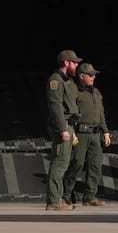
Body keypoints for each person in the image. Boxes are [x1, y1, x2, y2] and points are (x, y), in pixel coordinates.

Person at [44, 49, 82, 211]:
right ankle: (53, 200)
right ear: (67, 63)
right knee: (59, 162)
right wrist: (62, 129)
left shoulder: (67, 81)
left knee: (64, 162)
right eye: (74, 63)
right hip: (63, 126)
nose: (76, 65)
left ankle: (58, 198)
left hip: (69, 125)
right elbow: (55, 106)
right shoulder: (56, 81)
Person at [69, 62, 111, 205]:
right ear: (81, 76)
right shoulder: (74, 92)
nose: (93, 77)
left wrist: (105, 131)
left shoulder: (96, 92)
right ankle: (65, 194)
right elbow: (68, 113)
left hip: (94, 134)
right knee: (77, 164)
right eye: (90, 75)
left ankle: (90, 197)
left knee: (95, 166)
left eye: (94, 75)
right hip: (80, 133)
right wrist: (72, 133)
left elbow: (101, 114)